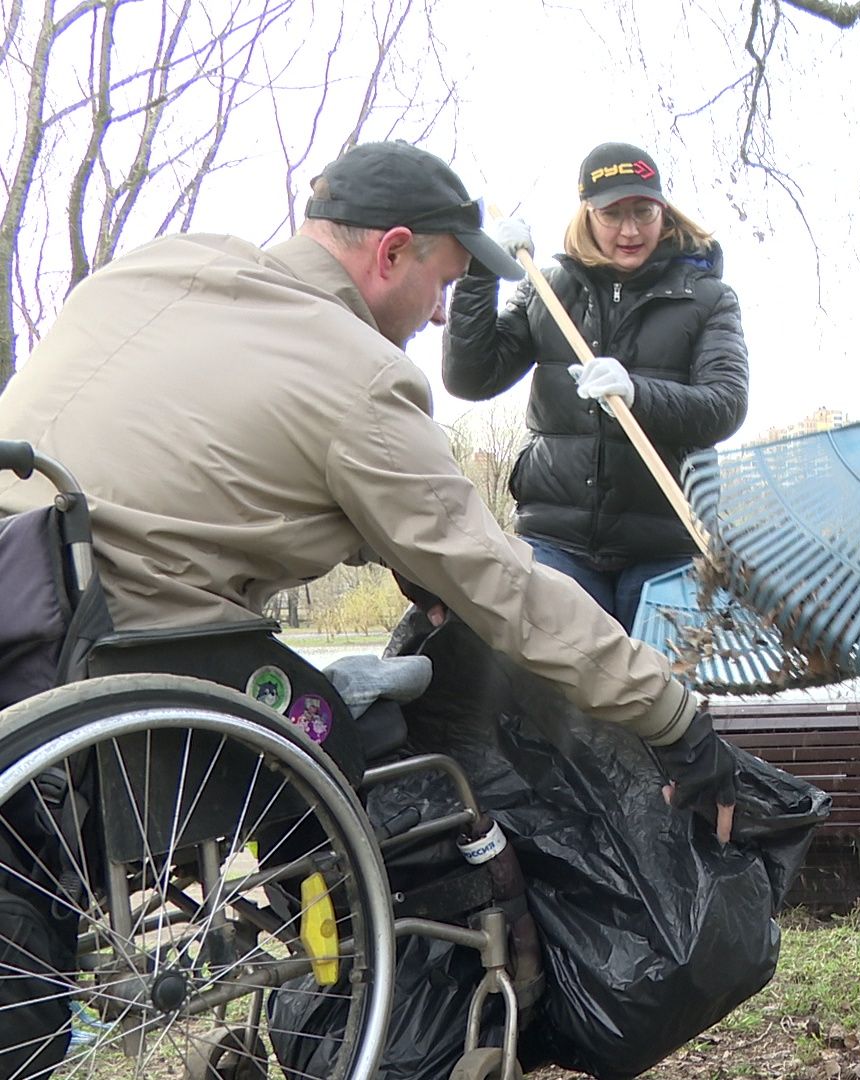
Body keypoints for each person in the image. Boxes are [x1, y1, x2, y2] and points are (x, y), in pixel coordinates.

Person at [0, 140, 736, 837]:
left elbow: (214, 467)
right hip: (123, 644)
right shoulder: (359, 374)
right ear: (390, 254)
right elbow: (501, 584)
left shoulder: (161, 267)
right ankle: (380, 952)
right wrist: (672, 714)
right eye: (445, 284)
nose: (443, 312)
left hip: (20, 597)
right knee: (375, 741)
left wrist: (390, 548)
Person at [442, 141, 748, 631]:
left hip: (668, 542)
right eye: (612, 213)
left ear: (663, 210)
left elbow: (726, 406)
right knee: (556, 694)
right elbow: (470, 378)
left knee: (657, 695)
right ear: (587, 214)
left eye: (643, 211)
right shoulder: (548, 289)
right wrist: (482, 272)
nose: (630, 230)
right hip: (557, 539)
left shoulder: (707, 298)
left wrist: (639, 394)